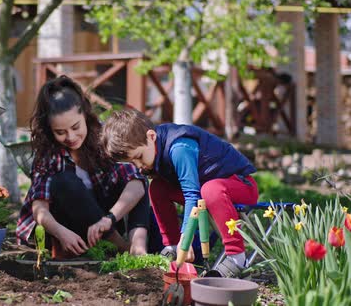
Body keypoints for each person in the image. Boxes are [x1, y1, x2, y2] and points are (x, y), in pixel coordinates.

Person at [100, 109, 258, 277]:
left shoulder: (179, 148)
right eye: (132, 162)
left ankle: (237, 258)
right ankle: (173, 246)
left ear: (151, 136)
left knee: (210, 189)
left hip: (240, 186)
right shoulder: (154, 149)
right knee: (158, 188)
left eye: (139, 157)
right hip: (207, 194)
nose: (138, 165)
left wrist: (187, 237)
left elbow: (191, 193)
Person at [15, 75, 150, 257]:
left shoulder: (103, 137)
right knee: (63, 181)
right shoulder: (48, 154)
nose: (70, 137)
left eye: (76, 127)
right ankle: (121, 249)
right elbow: (39, 209)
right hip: (68, 229)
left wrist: (109, 219)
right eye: (60, 132)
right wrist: (61, 233)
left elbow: (137, 181)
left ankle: (137, 248)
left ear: (85, 115)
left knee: (137, 177)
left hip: (104, 221)